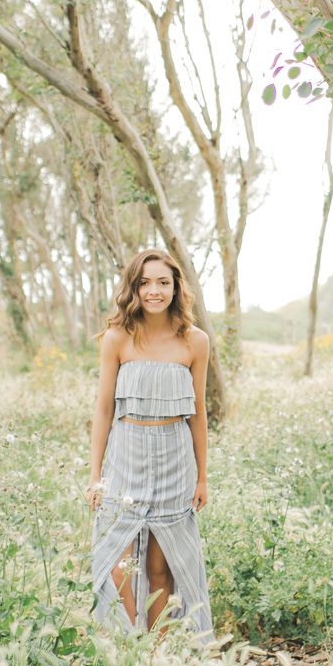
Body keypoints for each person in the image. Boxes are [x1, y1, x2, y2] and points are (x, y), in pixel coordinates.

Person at [88, 248, 212, 640]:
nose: (154, 291)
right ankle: (130, 644)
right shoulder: (117, 337)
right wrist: (95, 476)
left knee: (161, 567)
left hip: (176, 459)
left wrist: (202, 477)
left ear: (176, 287)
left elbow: (199, 414)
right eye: (145, 283)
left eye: (163, 282)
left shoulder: (195, 341)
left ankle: (160, 652)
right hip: (127, 457)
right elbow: (104, 410)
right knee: (119, 562)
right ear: (134, 289)